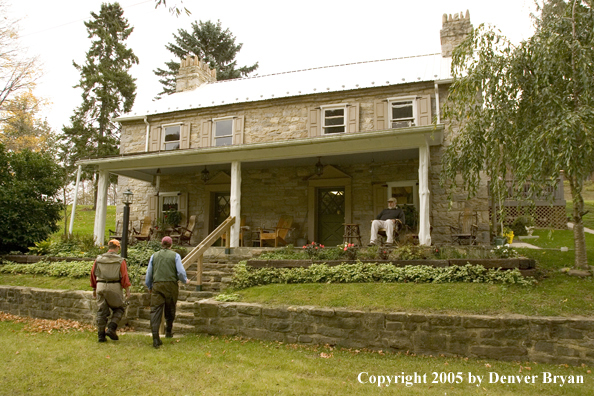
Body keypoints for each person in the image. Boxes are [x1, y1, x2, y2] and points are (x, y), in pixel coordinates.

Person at [145, 236, 190, 349]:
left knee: (155, 310)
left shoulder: (154, 256)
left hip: (157, 285)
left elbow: (149, 273)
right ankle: (168, 332)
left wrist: (150, 286)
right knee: (170, 308)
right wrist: (185, 280)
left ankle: (156, 338)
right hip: (171, 285)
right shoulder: (175, 256)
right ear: (171, 245)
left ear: (161, 244)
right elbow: (180, 271)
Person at [90, 239, 131, 342]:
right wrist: (127, 290)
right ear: (117, 248)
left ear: (109, 247)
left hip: (100, 285)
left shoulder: (98, 259)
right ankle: (111, 328)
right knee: (119, 308)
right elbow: (124, 276)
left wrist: (94, 288)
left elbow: (93, 274)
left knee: (101, 311)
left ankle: (101, 336)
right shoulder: (120, 260)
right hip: (114, 286)